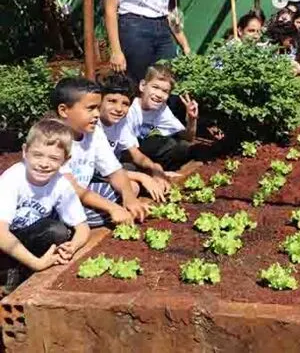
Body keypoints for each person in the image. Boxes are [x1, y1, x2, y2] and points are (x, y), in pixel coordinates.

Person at [0, 119, 90, 291]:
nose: (44, 163)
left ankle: (19, 269)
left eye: (54, 158)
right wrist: (37, 264)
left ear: (65, 160)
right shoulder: (12, 179)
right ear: (25, 152)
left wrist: (73, 247)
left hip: (24, 236)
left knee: (58, 232)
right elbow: (1, 233)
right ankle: (11, 271)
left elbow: (82, 226)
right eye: (38, 155)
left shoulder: (61, 184)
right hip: (4, 238)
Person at [53, 78, 148, 227]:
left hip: (82, 193)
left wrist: (130, 198)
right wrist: (112, 208)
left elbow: (115, 171)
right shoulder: (53, 139)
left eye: (98, 108)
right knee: (68, 220)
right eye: (90, 108)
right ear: (64, 110)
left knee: (131, 188)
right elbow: (72, 189)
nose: (97, 114)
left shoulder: (94, 131)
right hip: (57, 200)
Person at [98, 73, 173, 202]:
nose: (119, 109)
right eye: (112, 101)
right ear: (99, 101)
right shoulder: (93, 126)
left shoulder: (120, 122)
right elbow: (99, 171)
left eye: (125, 104)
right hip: (96, 175)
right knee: (133, 187)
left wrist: (154, 168)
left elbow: (136, 154)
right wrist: (142, 177)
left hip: (112, 170)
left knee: (142, 172)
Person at [124, 65, 198, 171]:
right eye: (155, 87)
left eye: (165, 91)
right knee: (130, 167)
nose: (159, 94)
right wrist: (154, 170)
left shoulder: (162, 109)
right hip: (126, 156)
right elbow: (128, 152)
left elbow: (188, 138)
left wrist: (191, 119)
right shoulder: (130, 109)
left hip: (145, 156)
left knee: (183, 147)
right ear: (143, 85)